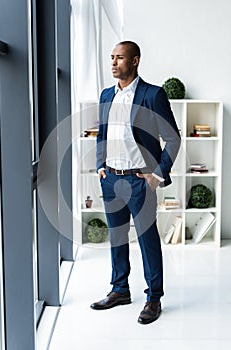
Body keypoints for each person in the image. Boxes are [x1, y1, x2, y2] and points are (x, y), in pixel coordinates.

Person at [90, 41, 181, 324]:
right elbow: (102, 134)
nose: (114, 63)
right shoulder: (107, 95)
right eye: (112, 57)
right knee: (117, 237)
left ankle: (153, 297)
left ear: (135, 61)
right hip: (111, 180)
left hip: (140, 181)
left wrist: (157, 175)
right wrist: (100, 166)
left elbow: (173, 138)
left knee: (147, 241)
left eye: (120, 58)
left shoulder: (153, 95)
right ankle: (120, 290)